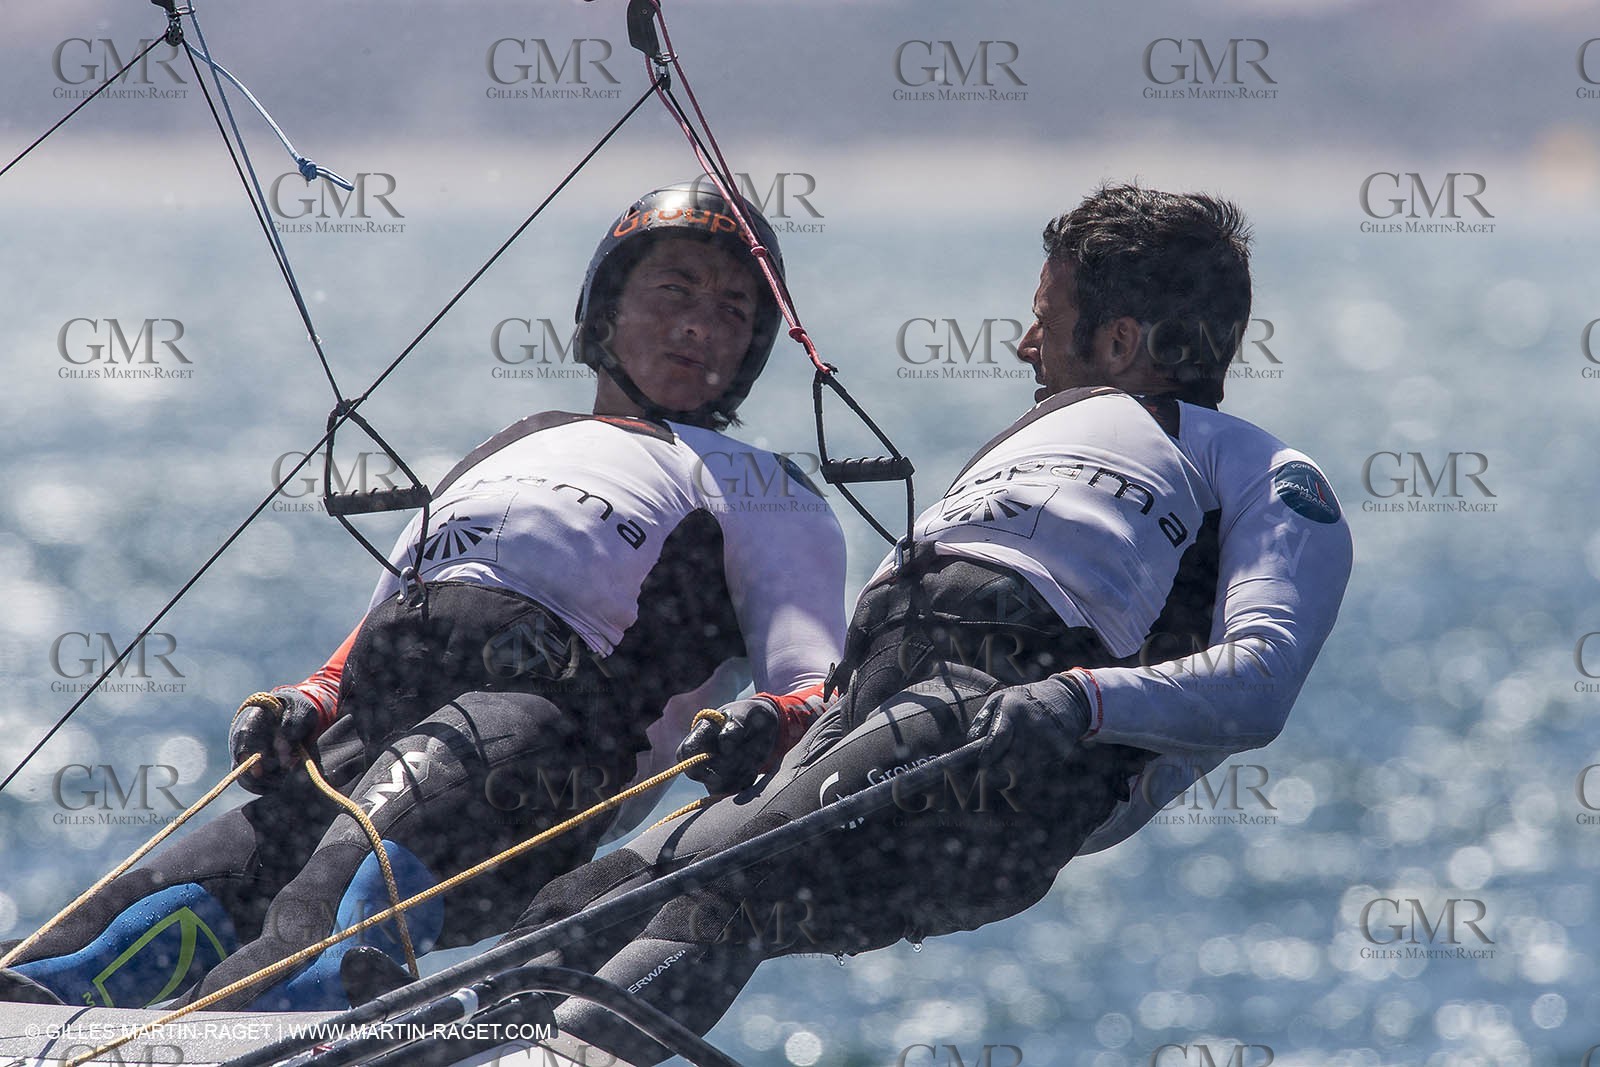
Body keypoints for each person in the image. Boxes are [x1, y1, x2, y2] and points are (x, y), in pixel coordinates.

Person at [404, 183, 1354, 1066]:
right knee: (591, 897)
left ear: (1116, 342)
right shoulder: (1041, 443)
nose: (1027, 348)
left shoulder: (1262, 472)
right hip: (865, 717)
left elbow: (1259, 679)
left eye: (1043, 322)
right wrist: (780, 717)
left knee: (731, 884)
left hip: (994, 761)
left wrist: (1074, 700)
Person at [0, 181, 847, 1013]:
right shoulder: (508, 445)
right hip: (370, 742)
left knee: (322, 925)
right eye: (674, 290)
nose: (701, 323)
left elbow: (816, 685)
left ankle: (297, 1007)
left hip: (544, 754)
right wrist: (308, 698)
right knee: (122, 917)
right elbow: (377, 622)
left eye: (736, 311)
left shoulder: (763, 490)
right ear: (604, 313)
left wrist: (768, 724)